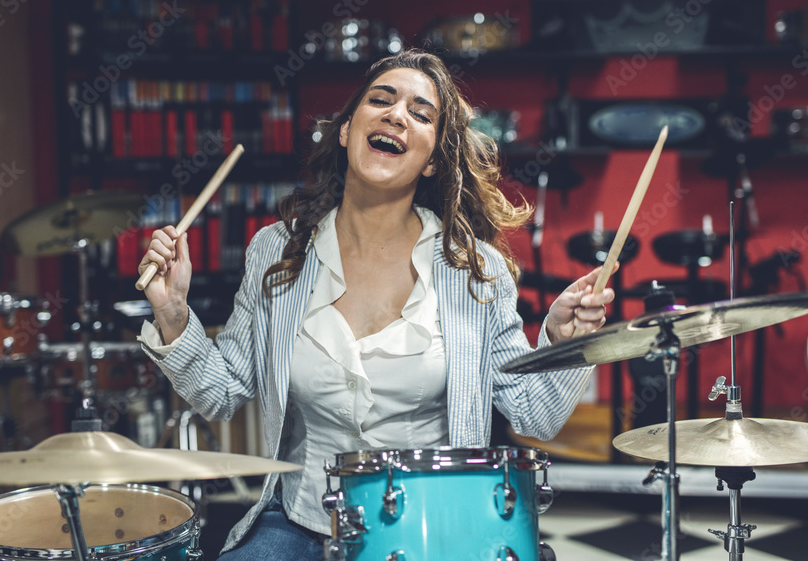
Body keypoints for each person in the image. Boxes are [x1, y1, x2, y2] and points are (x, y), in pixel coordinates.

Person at [137, 49, 615, 560]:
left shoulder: (475, 272)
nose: (396, 115)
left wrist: (568, 342)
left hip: (434, 521)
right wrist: (172, 314)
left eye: (421, 114)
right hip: (301, 517)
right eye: (380, 100)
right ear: (346, 130)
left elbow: (535, 416)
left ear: (433, 159)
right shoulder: (277, 252)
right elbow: (222, 394)